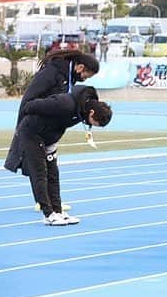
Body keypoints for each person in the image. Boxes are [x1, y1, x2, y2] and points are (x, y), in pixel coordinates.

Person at [4, 48, 100, 213]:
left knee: (48, 167)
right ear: (80, 67)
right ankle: (43, 202)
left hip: (48, 128)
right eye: (87, 75)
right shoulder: (52, 72)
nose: (85, 79)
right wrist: (23, 125)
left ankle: (49, 201)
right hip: (34, 125)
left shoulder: (67, 77)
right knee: (38, 166)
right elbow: (29, 99)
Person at [11, 84, 112, 225]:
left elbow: (60, 123)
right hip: (32, 132)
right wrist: (34, 124)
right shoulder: (66, 104)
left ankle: (57, 211)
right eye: (95, 123)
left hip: (48, 138)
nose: (92, 126)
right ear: (92, 113)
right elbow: (30, 106)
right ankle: (48, 214)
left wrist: (52, 140)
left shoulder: (81, 110)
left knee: (53, 173)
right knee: (39, 173)